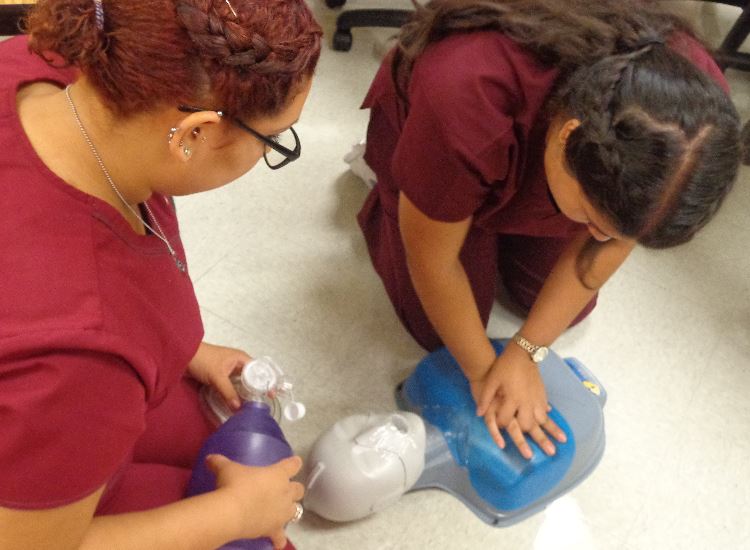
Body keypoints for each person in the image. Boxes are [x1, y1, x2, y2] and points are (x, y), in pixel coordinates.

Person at [357, 0, 744, 461]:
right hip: (443, 148)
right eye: (597, 222)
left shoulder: (696, 117)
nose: (605, 239)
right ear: (567, 137)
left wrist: (525, 352)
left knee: (565, 312)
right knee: (438, 335)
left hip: (554, 170)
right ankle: (390, 190)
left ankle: (522, 216)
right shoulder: (466, 94)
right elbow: (433, 261)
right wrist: (485, 375)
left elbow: (618, 236)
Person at [0, 1, 321, 548]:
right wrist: (235, 514)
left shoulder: (40, 68)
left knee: (208, 431)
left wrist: (187, 349)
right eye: (274, 142)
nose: (269, 154)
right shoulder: (81, 353)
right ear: (192, 134)